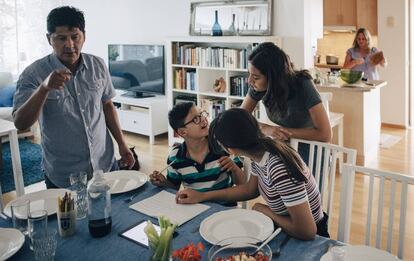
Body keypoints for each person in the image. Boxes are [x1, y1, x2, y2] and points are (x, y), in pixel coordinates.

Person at [12, 6, 134, 188]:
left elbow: (107, 105)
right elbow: (21, 123)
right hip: (63, 176)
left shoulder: (98, 65)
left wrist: (122, 145)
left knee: (113, 215)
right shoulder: (33, 74)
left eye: (75, 37)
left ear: (83, 36)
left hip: (105, 166)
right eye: (61, 38)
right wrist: (44, 89)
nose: (69, 45)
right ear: (49, 39)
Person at [176, 108, 329, 240]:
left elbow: (307, 231)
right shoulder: (261, 152)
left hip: (309, 238)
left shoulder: (278, 168)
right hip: (288, 229)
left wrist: (264, 210)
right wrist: (202, 196)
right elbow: (250, 189)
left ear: (231, 150)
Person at [240, 42, 331, 162]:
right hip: (285, 146)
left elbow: (325, 134)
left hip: (312, 150)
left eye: (256, 77)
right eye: (249, 74)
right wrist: (264, 128)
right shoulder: (258, 87)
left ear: (273, 77)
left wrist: (281, 132)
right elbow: (239, 117)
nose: (249, 81)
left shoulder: (303, 84)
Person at [150, 102, 245, 200]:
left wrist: (234, 168)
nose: (203, 119)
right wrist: (163, 182)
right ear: (182, 132)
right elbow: (174, 188)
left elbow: (242, 182)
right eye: (196, 119)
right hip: (194, 207)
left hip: (224, 208)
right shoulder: (175, 157)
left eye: (202, 114)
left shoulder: (223, 145)